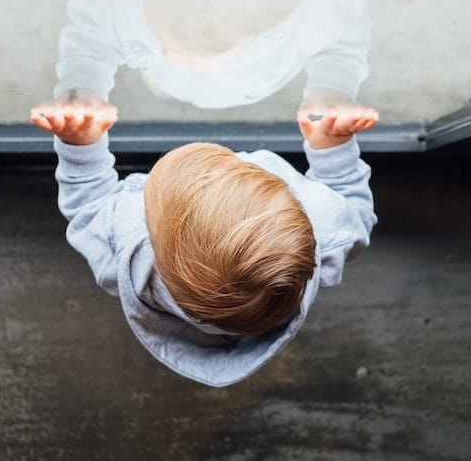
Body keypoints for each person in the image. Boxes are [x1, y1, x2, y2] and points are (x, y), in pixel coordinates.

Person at [29, 100, 379, 387]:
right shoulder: (323, 223)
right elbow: (356, 217)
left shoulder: (128, 254)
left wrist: (80, 144)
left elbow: (90, 209)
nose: (235, 156)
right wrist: (332, 148)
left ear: (150, 231)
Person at [54, 0, 371, 113]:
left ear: (264, 31)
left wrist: (332, 87)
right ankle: (165, 90)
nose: (167, 56)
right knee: (160, 78)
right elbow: (90, 34)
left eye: (184, 52)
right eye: (161, 38)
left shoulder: (316, 13)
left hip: (253, 86)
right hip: (161, 81)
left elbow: (343, 45)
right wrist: (82, 86)